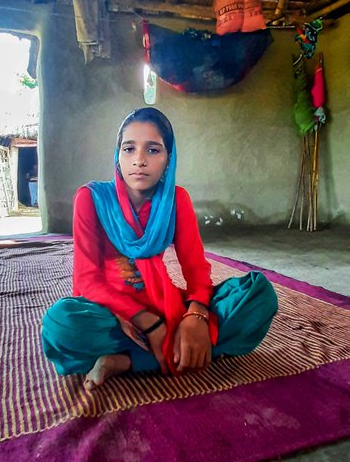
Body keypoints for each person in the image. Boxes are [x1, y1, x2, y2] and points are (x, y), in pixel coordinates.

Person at [41, 108, 278, 390]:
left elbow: (196, 269)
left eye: (153, 150)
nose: (139, 160)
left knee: (258, 295)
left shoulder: (176, 200)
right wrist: (149, 324)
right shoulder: (92, 199)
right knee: (60, 325)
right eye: (129, 149)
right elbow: (87, 280)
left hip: (165, 303)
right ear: (117, 155)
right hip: (114, 313)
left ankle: (127, 361)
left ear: (168, 159)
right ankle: (181, 352)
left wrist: (195, 316)